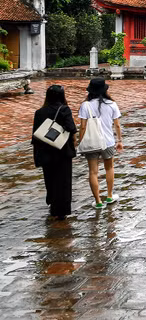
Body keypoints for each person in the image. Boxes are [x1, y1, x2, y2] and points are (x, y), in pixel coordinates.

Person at [32, 85, 77, 219]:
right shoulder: (64, 110)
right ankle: (61, 210)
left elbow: (36, 134)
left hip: (45, 151)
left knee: (49, 178)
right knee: (63, 180)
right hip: (62, 150)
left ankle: (52, 203)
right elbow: (71, 128)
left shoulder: (39, 112)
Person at [78, 79, 123, 209]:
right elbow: (117, 125)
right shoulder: (112, 104)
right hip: (108, 141)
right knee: (109, 168)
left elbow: (82, 127)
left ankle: (97, 201)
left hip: (91, 142)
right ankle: (109, 196)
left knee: (93, 172)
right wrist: (119, 141)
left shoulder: (85, 105)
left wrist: (81, 142)